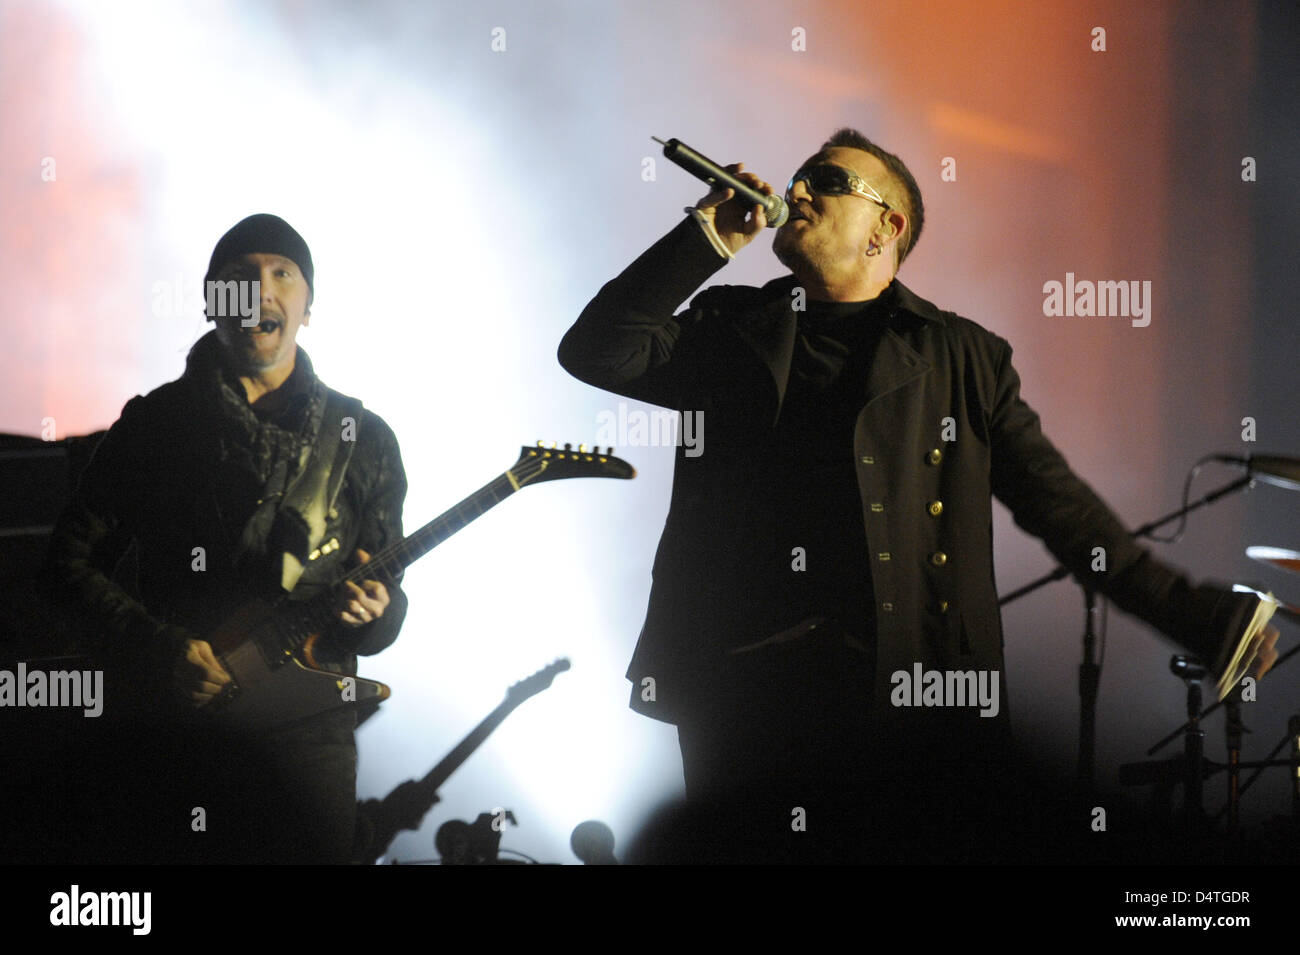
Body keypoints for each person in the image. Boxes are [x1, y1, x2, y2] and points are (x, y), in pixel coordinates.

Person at [559, 129, 1279, 862]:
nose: (797, 190)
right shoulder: (729, 326)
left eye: (828, 180)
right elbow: (595, 349)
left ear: (887, 227)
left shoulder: (962, 357)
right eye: (800, 177)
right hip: (743, 689)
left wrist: (1200, 616)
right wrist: (705, 237)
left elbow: (1060, 508)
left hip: (906, 692)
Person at [43, 213, 408, 863]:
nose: (261, 292)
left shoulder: (365, 438)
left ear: (308, 305)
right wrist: (159, 650)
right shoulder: (156, 425)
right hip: (179, 728)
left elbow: (382, 604)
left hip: (308, 740)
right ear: (214, 303)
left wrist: (376, 612)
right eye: (239, 278)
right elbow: (65, 565)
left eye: (282, 274)